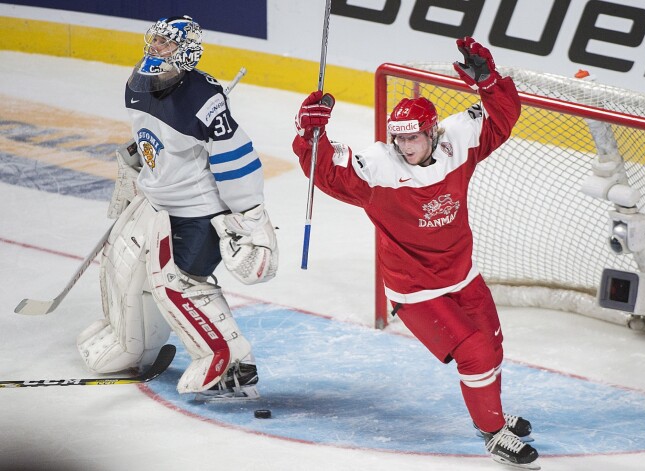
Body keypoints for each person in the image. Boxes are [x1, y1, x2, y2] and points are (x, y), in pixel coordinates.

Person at [292, 37, 539, 469]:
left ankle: (492, 413)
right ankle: (492, 433)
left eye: (413, 139)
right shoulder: (378, 167)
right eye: (398, 139)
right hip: (416, 290)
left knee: (493, 347)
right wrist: (310, 134)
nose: (405, 147)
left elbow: (502, 119)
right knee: (476, 351)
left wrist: (489, 82)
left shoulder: (457, 142)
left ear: (432, 133)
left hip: (462, 273)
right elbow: (328, 173)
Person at [76, 15, 278, 400]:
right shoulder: (137, 82)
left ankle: (231, 361)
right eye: (154, 42)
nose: (155, 50)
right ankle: (130, 342)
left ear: (186, 51)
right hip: (155, 200)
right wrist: (138, 163)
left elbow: (236, 160)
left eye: (165, 45)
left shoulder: (204, 100)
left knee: (180, 285)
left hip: (197, 210)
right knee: (123, 265)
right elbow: (151, 137)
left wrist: (252, 217)